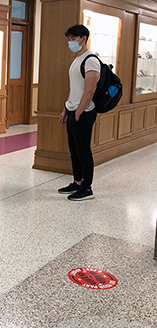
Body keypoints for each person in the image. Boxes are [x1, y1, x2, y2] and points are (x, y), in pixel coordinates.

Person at [58, 24, 100, 201]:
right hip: (72, 109)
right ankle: (77, 182)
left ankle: (87, 188)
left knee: (83, 150)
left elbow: (89, 91)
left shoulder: (91, 60)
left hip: (84, 112)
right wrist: (65, 109)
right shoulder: (77, 59)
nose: (70, 42)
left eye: (73, 39)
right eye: (69, 39)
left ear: (83, 39)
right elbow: (74, 89)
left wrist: (79, 111)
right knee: (74, 150)